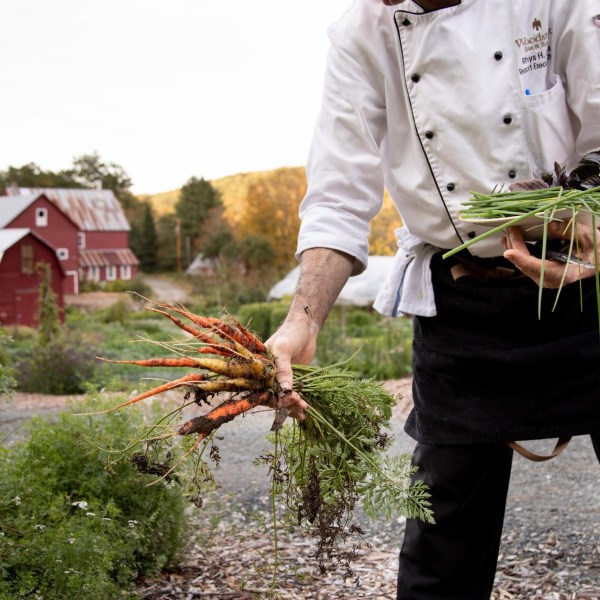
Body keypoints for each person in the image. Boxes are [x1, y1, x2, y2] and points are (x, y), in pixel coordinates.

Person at [267, 0, 600, 598]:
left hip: (590, 282)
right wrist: (303, 318)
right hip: (462, 296)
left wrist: (585, 216)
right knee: (441, 542)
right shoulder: (361, 32)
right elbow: (339, 196)